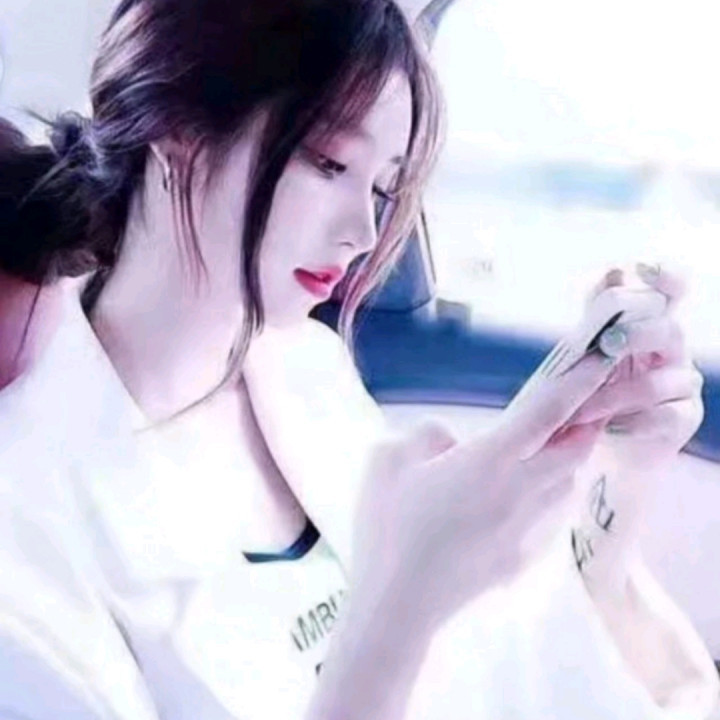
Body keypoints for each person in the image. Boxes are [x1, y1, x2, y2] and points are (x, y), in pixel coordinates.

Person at [0, 0, 717, 718]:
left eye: (382, 187)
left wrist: (614, 474)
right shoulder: (32, 532)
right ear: (179, 130)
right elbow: (401, 619)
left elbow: (502, 656)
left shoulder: (305, 368)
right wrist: (400, 607)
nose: (364, 230)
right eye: (329, 163)